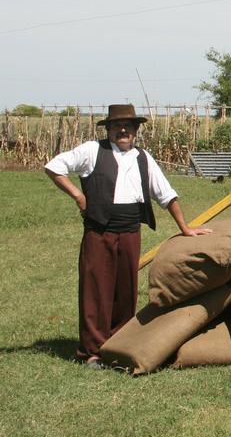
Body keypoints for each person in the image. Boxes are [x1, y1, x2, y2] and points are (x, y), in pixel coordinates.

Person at [44, 104, 210, 369]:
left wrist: (186, 228)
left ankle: (119, 345)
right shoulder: (92, 151)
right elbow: (54, 167)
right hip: (99, 231)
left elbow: (166, 194)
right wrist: (78, 196)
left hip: (131, 231)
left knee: (126, 290)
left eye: (128, 126)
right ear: (108, 129)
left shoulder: (143, 158)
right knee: (96, 289)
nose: (123, 131)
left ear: (135, 130)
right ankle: (92, 351)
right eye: (117, 126)